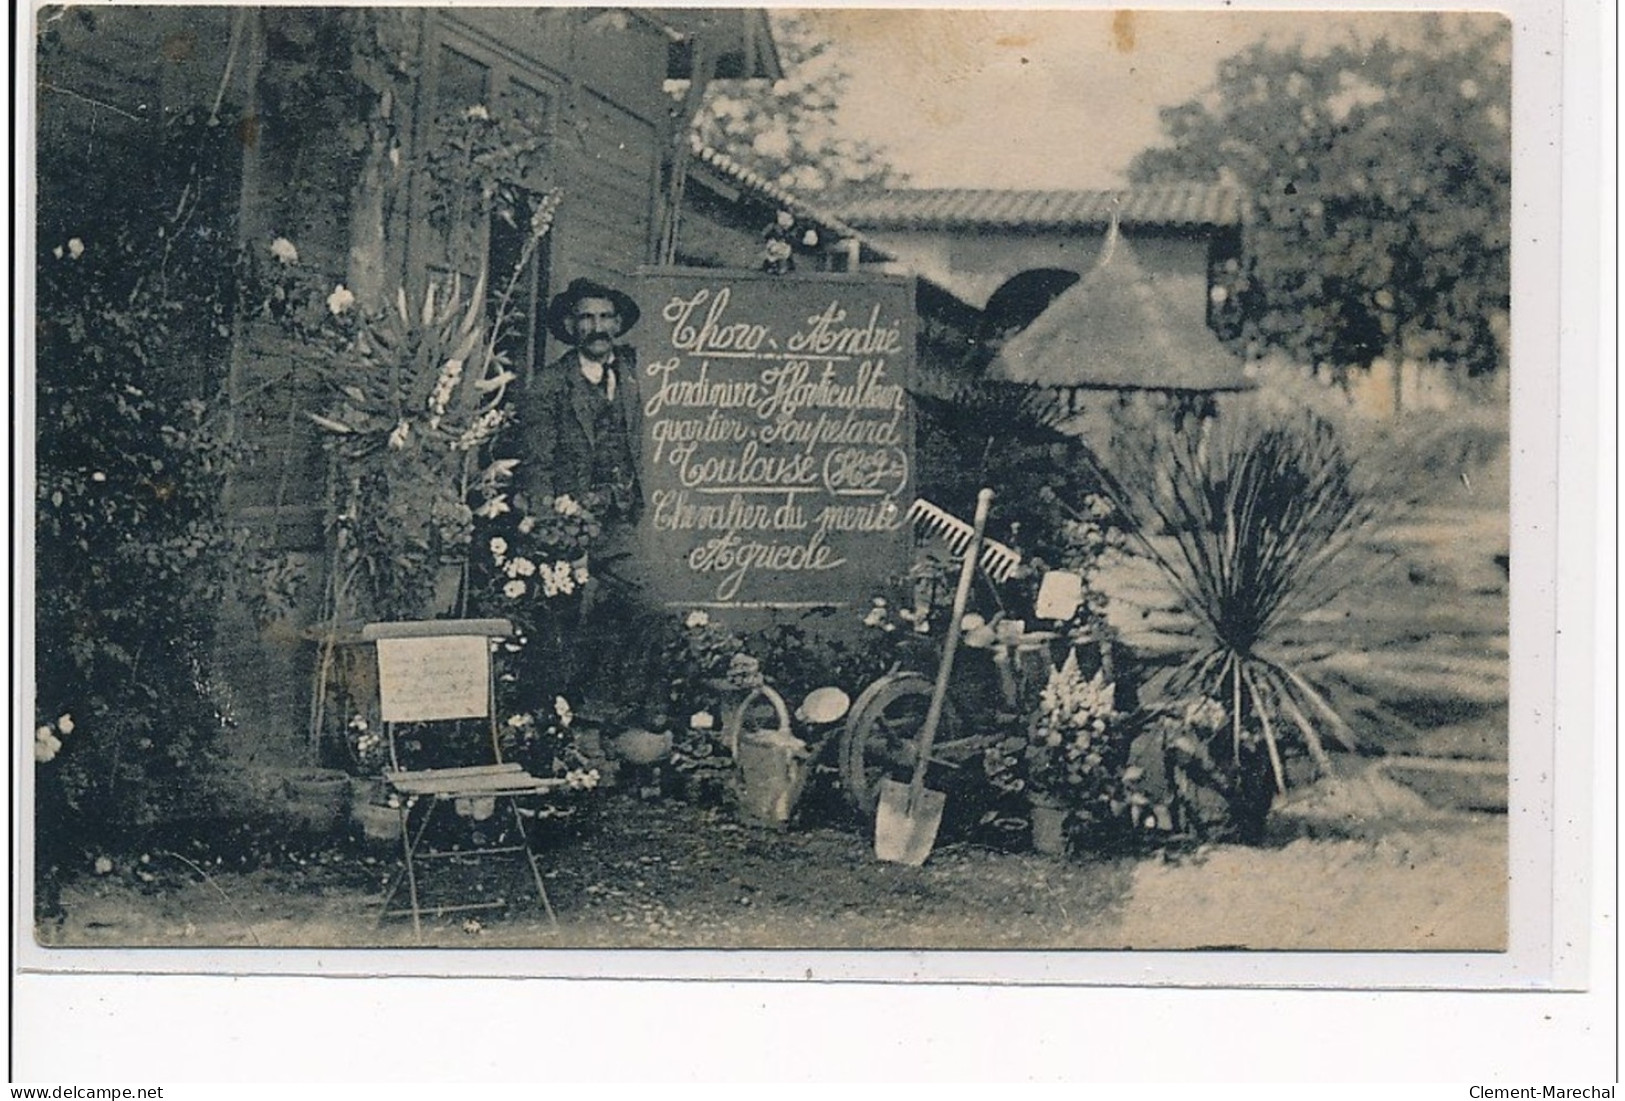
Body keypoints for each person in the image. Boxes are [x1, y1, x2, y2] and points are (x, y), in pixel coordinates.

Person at [517, 276, 645, 527]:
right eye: (587, 317)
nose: (598, 327)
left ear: (617, 324)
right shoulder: (549, 384)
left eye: (606, 317)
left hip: (624, 522)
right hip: (571, 524)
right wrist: (550, 529)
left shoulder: (635, 377)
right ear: (570, 324)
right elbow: (537, 464)